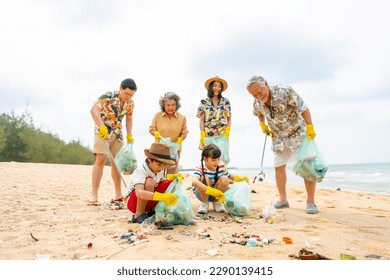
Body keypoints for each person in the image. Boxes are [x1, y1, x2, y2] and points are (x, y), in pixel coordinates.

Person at [246, 75, 318, 214]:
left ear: (266, 84)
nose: (258, 96)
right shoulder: (257, 101)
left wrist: (310, 126)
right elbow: (258, 113)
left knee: (308, 165)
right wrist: (262, 124)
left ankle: (311, 202)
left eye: (259, 92)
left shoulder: (285, 91)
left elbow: (303, 108)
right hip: (278, 137)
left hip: (297, 133)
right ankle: (283, 200)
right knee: (278, 167)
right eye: (254, 95)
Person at [89, 78, 137, 206]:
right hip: (103, 130)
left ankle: (118, 194)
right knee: (101, 158)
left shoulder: (130, 103)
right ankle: (94, 195)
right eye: (126, 93)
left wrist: (129, 134)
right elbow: (93, 110)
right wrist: (101, 126)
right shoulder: (108, 96)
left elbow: (129, 119)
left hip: (117, 132)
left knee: (117, 162)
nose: (128, 97)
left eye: (131, 95)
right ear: (120, 88)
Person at [124, 142, 179, 223]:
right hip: (133, 203)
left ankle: (153, 210)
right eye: (159, 164)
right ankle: (139, 214)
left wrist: (171, 179)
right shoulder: (141, 170)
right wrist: (162, 197)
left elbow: (159, 182)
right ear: (150, 160)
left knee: (170, 182)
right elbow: (139, 192)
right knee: (149, 181)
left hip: (149, 199)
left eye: (164, 165)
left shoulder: (159, 169)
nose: (162, 167)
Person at [192, 144, 249, 214]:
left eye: (218, 159)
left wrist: (239, 179)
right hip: (202, 194)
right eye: (213, 160)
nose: (217, 162)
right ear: (205, 159)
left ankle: (217, 203)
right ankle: (205, 203)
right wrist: (210, 190)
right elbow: (194, 181)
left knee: (225, 178)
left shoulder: (221, 165)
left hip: (218, 195)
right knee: (203, 178)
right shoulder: (200, 168)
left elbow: (229, 176)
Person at [149, 92, 189, 174]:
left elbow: (184, 131)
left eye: (173, 105)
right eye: (168, 105)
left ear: (176, 105)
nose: (171, 107)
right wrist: (156, 133)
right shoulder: (158, 116)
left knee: (172, 172)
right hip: (159, 150)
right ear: (163, 105)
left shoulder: (182, 117)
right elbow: (151, 128)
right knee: (158, 172)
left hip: (175, 150)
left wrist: (180, 140)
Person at [197, 76, 231, 151]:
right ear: (210, 87)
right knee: (210, 157)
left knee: (221, 157)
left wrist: (227, 131)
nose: (217, 88)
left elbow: (229, 118)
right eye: (215, 85)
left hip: (222, 134)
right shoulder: (204, 102)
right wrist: (202, 134)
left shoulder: (226, 101)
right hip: (208, 134)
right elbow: (201, 120)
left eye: (219, 86)